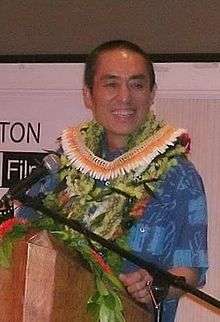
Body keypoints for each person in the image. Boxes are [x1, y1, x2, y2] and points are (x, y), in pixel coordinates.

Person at [16, 40, 208, 322]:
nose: (124, 98)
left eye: (137, 85)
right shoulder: (61, 167)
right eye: (111, 84)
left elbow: (190, 271)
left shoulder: (179, 176)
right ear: (88, 95)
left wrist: (154, 284)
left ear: (152, 93)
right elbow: (24, 236)